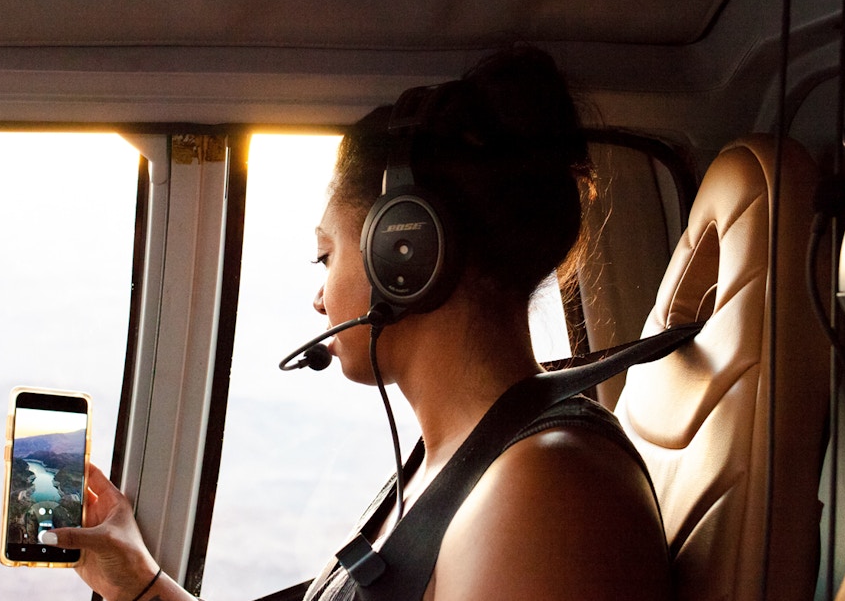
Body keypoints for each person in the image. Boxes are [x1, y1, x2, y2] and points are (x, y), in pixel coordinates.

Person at [45, 46, 673, 600]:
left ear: (406, 252)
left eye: (327, 256)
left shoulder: (545, 496)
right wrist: (142, 585)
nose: (319, 299)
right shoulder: (449, 463)